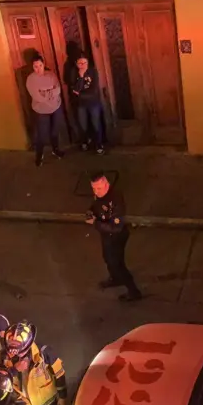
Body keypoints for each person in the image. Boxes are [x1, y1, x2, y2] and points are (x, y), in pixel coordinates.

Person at [1, 320, 70, 405]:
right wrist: (14, 369)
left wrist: (62, 397)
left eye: (16, 349)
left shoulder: (45, 353)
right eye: (10, 348)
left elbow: (59, 373)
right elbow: (0, 378)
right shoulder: (4, 356)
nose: (13, 353)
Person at [87, 172, 142, 303]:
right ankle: (115, 278)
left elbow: (116, 227)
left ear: (107, 184)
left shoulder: (115, 200)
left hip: (116, 237)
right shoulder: (100, 195)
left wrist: (95, 223)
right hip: (106, 235)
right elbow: (95, 205)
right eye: (94, 188)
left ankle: (133, 291)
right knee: (107, 258)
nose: (97, 192)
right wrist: (90, 212)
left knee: (118, 264)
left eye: (99, 188)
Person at [25, 56, 67, 167]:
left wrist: (45, 93)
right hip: (41, 111)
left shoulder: (51, 75)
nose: (38, 68)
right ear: (32, 67)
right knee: (42, 135)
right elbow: (38, 97)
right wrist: (50, 93)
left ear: (44, 64)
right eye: (35, 66)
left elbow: (57, 89)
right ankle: (39, 155)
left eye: (40, 65)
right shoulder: (31, 79)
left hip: (55, 107)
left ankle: (55, 149)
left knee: (55, 131)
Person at [69, 53, 106, 154]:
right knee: (83, 124)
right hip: (81, 104)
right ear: (76, 64)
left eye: (85, 63)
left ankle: (99, 144)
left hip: (93, 102)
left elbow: (93, 90)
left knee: (96, 123)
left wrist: (79, 94)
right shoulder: (74, 73)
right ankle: (85, 141)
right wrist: (81, 77)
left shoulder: (93, 72)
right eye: (80, 63)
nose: (83, 65)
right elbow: (75, 89)